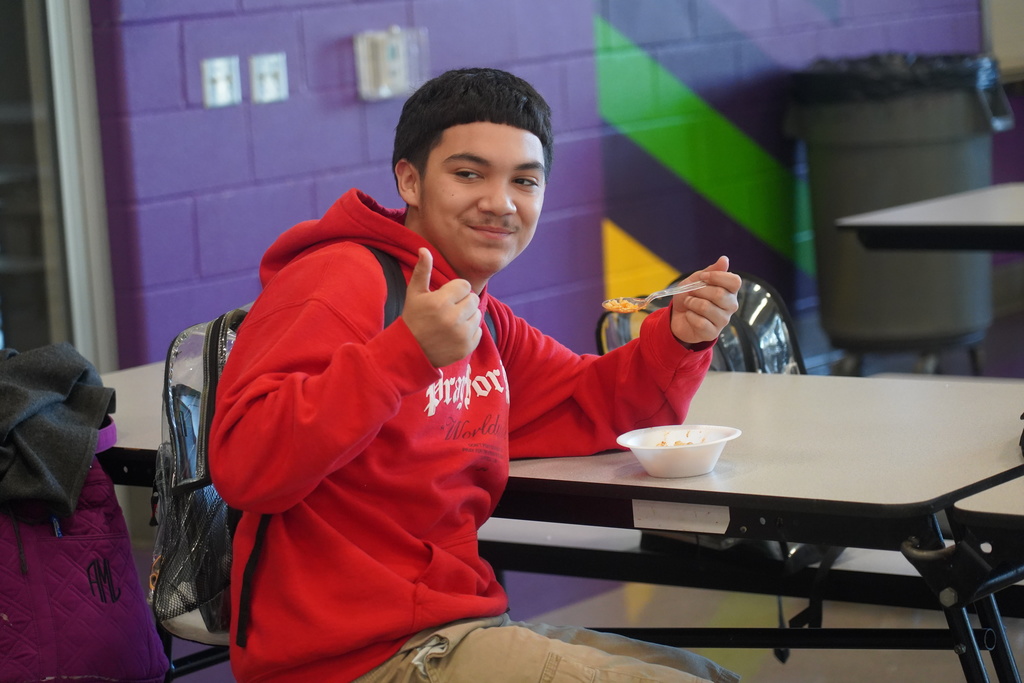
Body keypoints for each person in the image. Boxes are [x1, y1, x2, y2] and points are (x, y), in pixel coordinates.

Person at [209, 67, 742, 683]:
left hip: (456, 625)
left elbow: (589, 402)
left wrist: (679, 337)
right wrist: (402, 354)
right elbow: (245, 465)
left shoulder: (477, 316)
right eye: (469, 174)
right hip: (352, 657)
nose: (501, 202)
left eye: (525, 181)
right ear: (409, 180)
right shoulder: (339, 279)